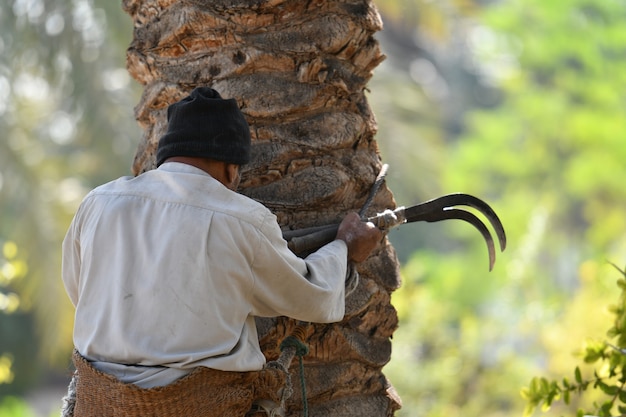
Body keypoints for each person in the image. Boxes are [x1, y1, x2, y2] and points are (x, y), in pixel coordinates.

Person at [61, 87, 382, 415]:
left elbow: (79, 289)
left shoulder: (98, 203)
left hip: (100, 402)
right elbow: (310, 297)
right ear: (231, 167)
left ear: (168, 154)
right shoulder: (243, 220)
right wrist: (345, 247)